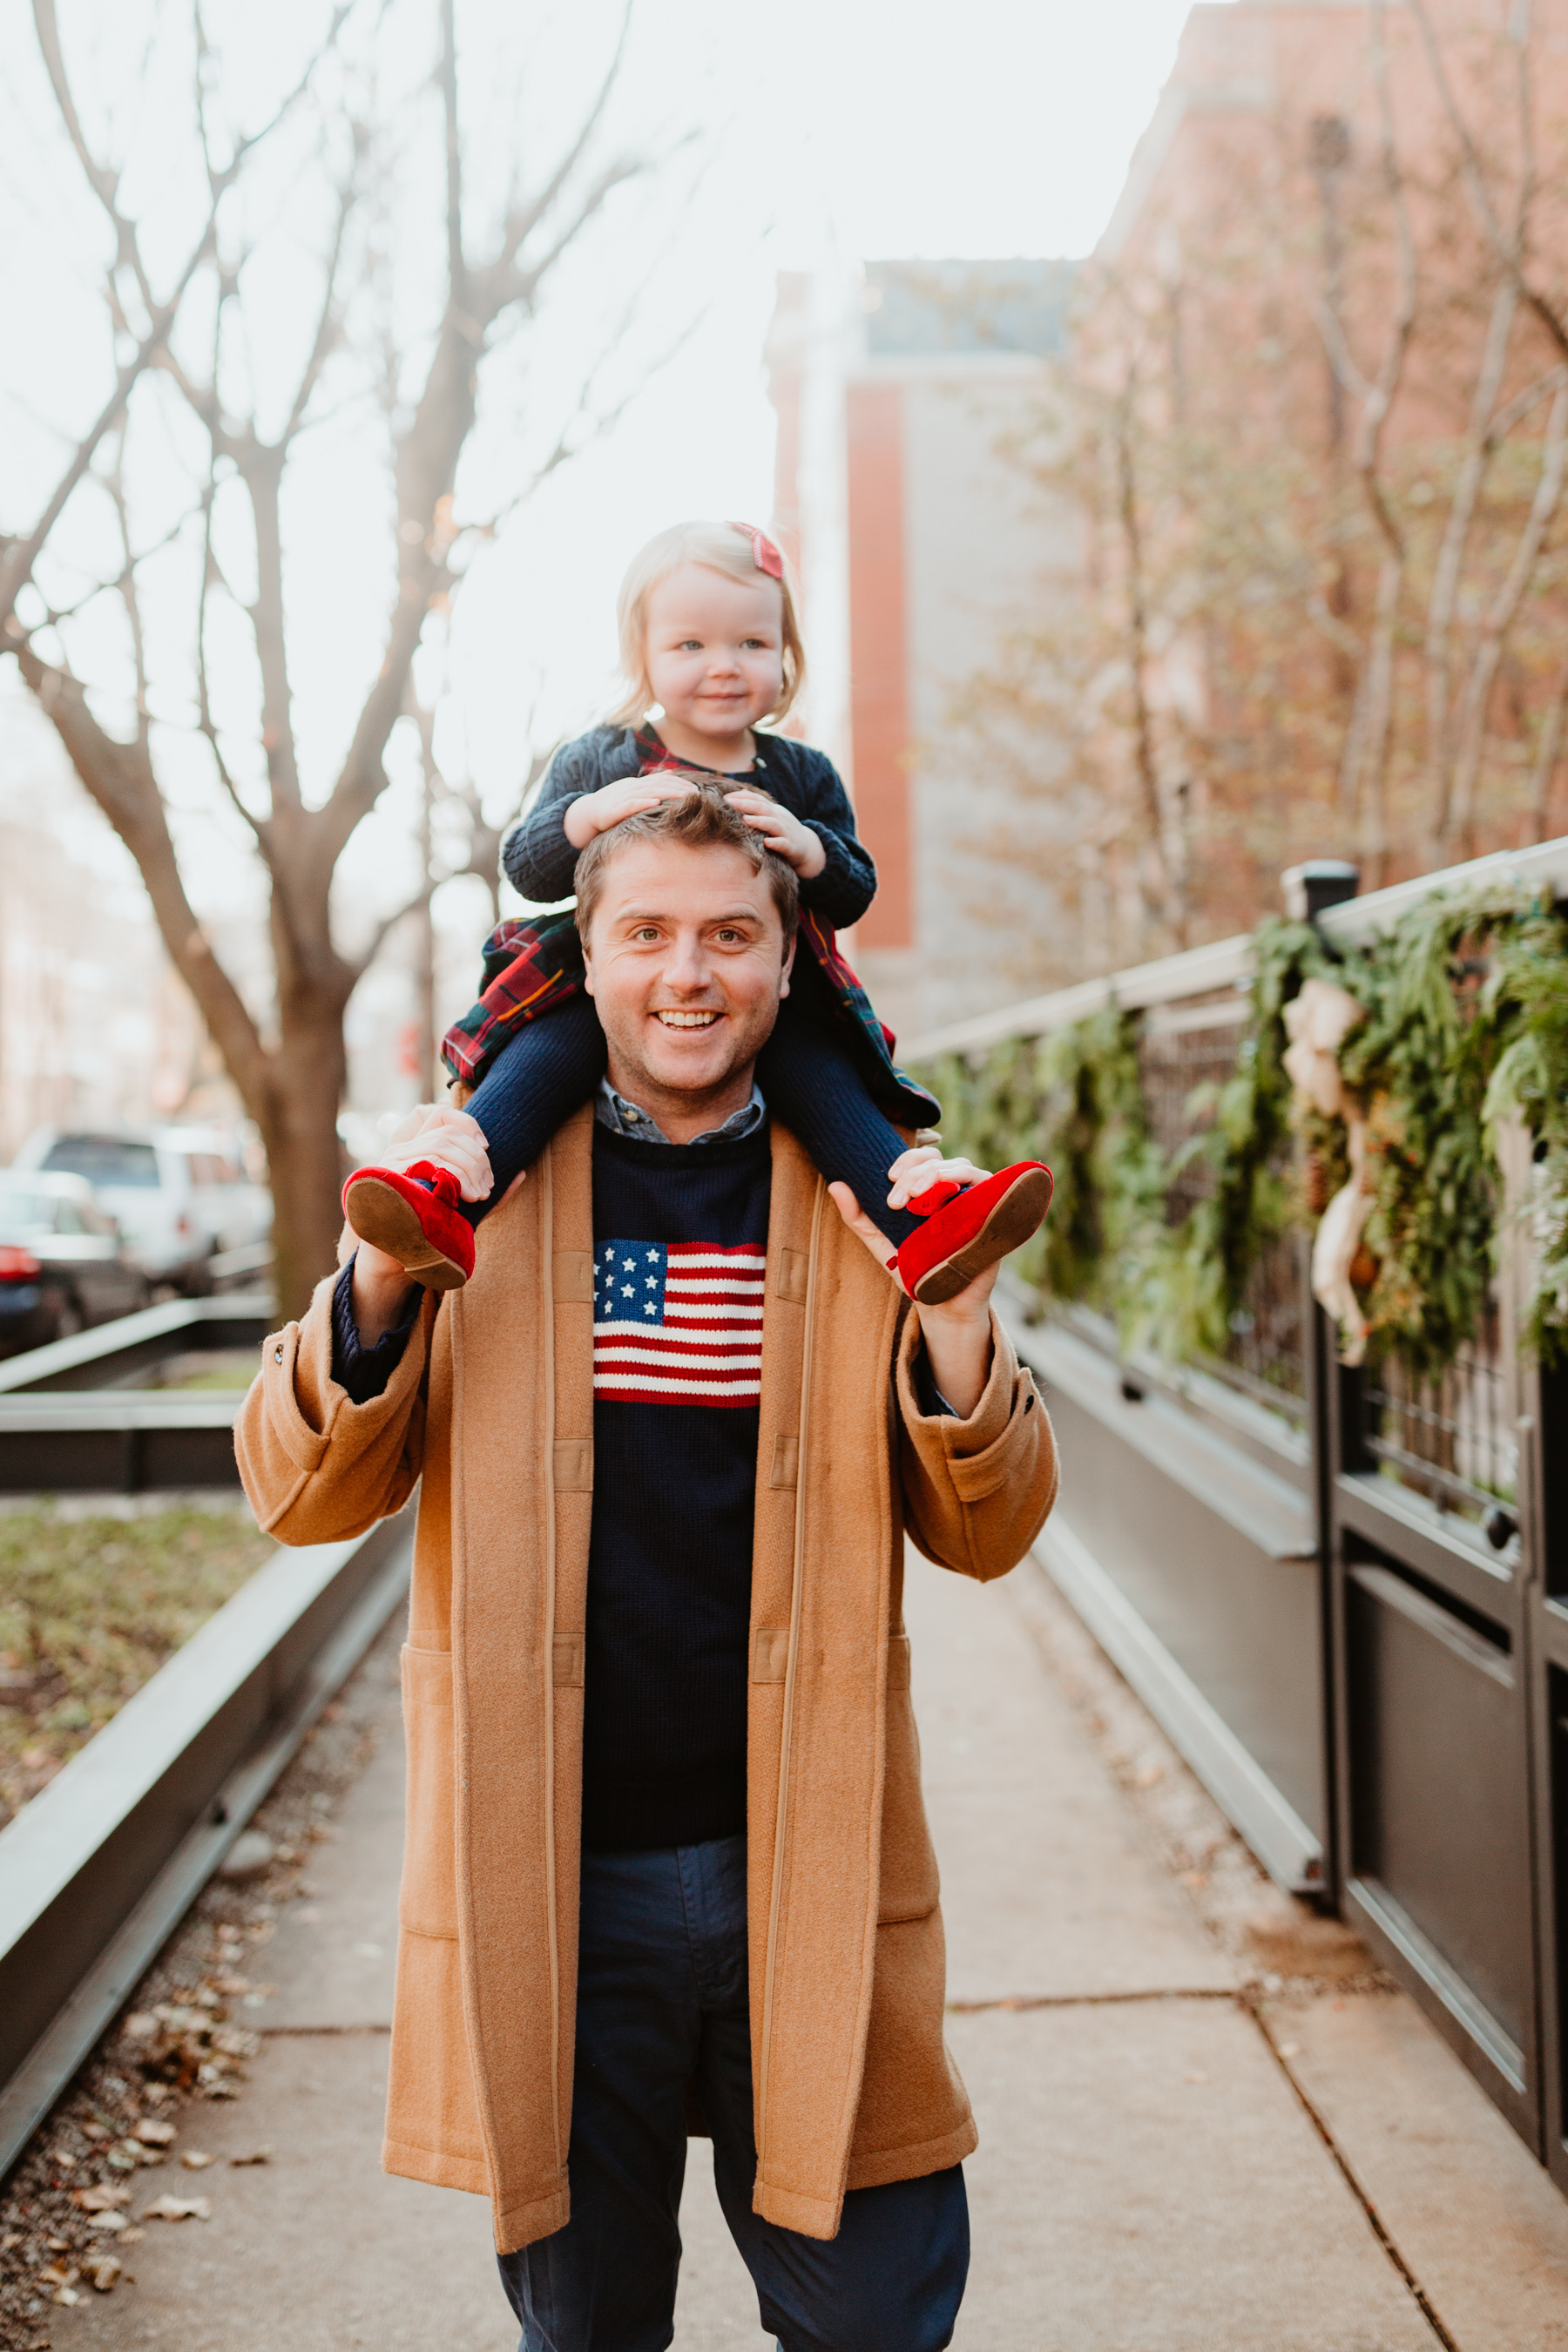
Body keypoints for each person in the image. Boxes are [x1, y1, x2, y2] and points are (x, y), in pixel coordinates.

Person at [236, 783, 1058, 2352]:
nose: (690, 973)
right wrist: (373, 1282)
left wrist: (955, 1328)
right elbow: (297, 1493)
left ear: (786, 961)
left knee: (875, 2315)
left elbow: (990, 1528)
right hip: (552, 1877)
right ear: (585, 962)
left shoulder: (873, 1198)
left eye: (732, 936)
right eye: (650, 935)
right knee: (591, 2326)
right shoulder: (474, 1190)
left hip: (805, 1861)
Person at [341, 517, 1051, 1305]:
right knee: (542, 1061)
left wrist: (813, 850)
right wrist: (591, 813)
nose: (724, 667)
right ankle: (447, 1196)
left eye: (751, 644)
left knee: (822, 1080)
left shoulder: (802, 773)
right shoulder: (603, 758)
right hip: (599, 984)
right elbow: (528, 867)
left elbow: (854, 893)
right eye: (691, 647)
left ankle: (922, 1226)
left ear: (785, 658)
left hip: (779, 994)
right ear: (642, 655)